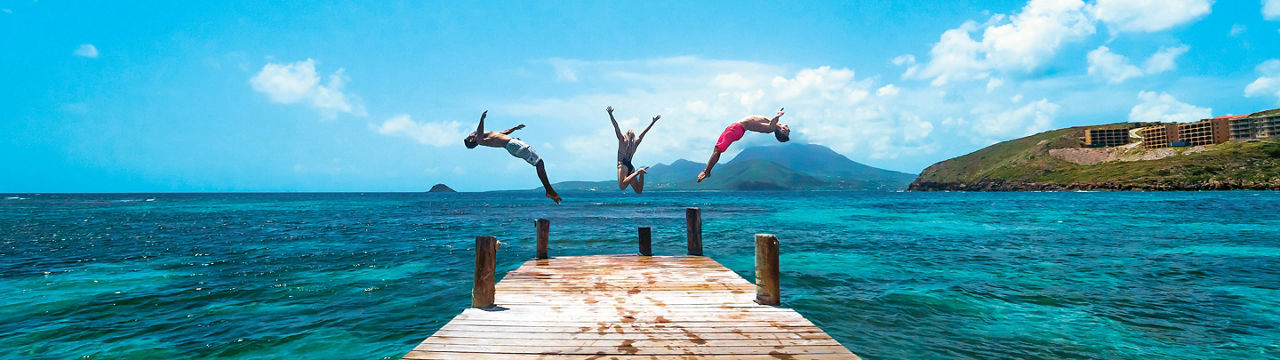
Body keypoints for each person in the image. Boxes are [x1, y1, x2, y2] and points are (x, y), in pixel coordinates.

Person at [463, 111, 562, 203]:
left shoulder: (488, 136)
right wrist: (482, 119)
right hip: (514, 145)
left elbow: (503, 133)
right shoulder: (480, 140)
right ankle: (549, 191)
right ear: (472, 140)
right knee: (539, 163)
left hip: (513, 146)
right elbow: (479, 134)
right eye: (469, 136)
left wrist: (515, 128)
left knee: (539, 163)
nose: (470, 133)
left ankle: (549, 190)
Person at [696, 108, 789, 183]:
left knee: (718, 150)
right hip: (735, 129)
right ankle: (707, 170)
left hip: (736, 129)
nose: (788, 128)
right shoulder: (772, 124)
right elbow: (771, 121)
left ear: (782, 131)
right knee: (717, 149)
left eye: (787, 131)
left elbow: (772, 123)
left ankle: (707, 171)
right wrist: (778, 120)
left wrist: (778, 116)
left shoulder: (772, 127)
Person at [607, 106, 660, 193]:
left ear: (625, 135)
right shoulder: (635, 143)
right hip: (631, 167)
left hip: (622, 165)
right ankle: (641, 173)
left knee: (622, 187)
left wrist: (610, 114)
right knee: (639, 191)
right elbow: (644, 133)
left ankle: (639, 172)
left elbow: (616, 127)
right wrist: (652, 122)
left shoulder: (622, 140)